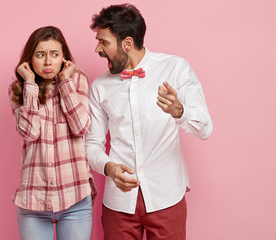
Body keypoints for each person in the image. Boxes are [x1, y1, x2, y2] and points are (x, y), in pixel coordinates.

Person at [86, 4, 213, 240]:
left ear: (127, 43)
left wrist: (179, 111)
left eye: (104, 42)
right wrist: (108, 168)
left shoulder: (176, 68)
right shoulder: (99, 87)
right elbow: (91, 144)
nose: (97, 49)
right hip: (119, 203)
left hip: (166, 196)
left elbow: (205, 128)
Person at [8, 26, 96, 240]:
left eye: (54, 54)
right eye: (40, 55)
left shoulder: (77, 79)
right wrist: (29, 84)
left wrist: (65, 82)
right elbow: (29, 132)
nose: (48, 62)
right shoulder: (18, 89)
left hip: (74, 196)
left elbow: (81, 127)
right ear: (29, 59)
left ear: (64, 57)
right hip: (33, 200)